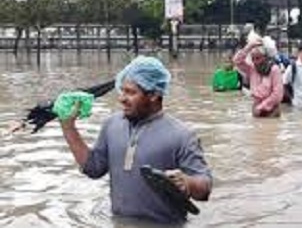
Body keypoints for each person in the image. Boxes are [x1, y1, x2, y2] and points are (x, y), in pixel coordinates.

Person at [60, 56, 212, 224]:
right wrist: (68, 127)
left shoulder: (182, 135)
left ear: (154, 94)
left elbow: (204, 188)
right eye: (122, 91)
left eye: (131, 92)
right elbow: (93, 168)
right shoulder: (112, 125)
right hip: (119, 222)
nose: (122, 98)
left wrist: (188, 183)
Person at [232, 39, 284, 117]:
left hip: (272, 109)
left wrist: (261, 107)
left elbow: (277, 95)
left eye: (258, 58)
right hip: (256, 105)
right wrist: (249, 47)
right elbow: (237, 61)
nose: (255, 61)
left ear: (265, 57)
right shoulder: (252, 69)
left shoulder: (274, 69)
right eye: (253, 59)